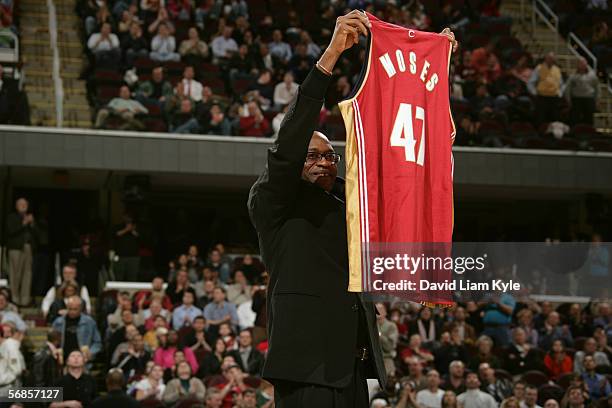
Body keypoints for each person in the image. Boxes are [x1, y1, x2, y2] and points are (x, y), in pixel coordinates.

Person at [6, 197, 37, 306]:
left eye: (25, 204)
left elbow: (36, 234)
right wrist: (23, 223)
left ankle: (25, 299)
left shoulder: (30, 217)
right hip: (16, 248)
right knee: (15, 273)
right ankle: (14, 298)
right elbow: (11, 231)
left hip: (28, 247)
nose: (23, 206)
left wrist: (32, 224)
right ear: (16, 206)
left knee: (27, 273)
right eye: (21, 204)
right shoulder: (12, 217)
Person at [51, 296, 102, 363]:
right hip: (62, 360)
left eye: (75, 309)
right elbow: (51, 342)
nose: (72, 312)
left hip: (83, 361)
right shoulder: (58, 322)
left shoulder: (89, 322)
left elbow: (97, 342)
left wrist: (91, 352)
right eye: (70, 309)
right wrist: (55, 351)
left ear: (80, 309)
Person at [528, 52, 563, 124]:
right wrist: (534, 92)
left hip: (554, 97)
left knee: (554, 118)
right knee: (541, 118)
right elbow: (531, 82)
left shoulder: (557, 69)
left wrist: (560, 92)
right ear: (545, 59)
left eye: (552, 58)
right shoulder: (539, 68)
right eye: (549, 58)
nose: (551, 60)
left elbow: (561, 83)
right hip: (542, 97)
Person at [564, 57, 599, 125]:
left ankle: (589, 133)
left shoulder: (592, 75)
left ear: (586, 64)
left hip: (589, 99)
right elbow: (567, 89)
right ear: (578, 65)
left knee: (589, 118)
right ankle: (574, 133)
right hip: (576, 99)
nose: (583, 65)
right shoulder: (573, 76)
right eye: (581, 63)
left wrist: (597, 100)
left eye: (584, 63)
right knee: (575, 118)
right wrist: (569, 100)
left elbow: (597, 88)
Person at [111, 213, 141, 281]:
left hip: (133, 257)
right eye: (126, 217)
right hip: (120, 256)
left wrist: (132, 230)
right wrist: (126, 230)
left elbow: (141, 238)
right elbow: (115, 235)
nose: (128, 219)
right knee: (119, 277)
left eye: (130, 217)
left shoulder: (136, 227)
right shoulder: (118, 226)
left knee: (132, 277)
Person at [0, 323, 25, 394]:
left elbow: (17, 371)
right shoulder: (2, 346)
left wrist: (17, 401)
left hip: (7, 388)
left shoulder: (11, 346)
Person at [376, 302, 399, 377]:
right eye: (375, 309)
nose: (377, 311)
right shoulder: (370, 326)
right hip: (373, 358)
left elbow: (389, 346)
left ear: (385, 312)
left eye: (380, 309)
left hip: (386, 359)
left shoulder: (391, 326)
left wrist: (379, 335)